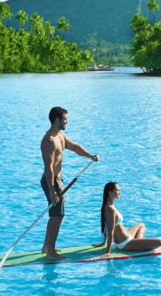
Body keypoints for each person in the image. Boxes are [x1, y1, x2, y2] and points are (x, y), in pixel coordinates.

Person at [41, 106, 99, 260]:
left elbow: (74, 147)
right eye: (65, 119)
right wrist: (53, 190)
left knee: (56, 215)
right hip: (51, 180)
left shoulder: (60, 135)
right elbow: (48, 168)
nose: (67, 122)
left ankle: (47, 247)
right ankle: (51, 252)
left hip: (57, 180)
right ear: (57, 120)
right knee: (57, 216)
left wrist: (90, 156)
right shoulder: (49, 141)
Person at [96, 182, 161, 257]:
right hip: (125, 243)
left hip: (126, 238)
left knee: (141, 225)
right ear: (110, 192)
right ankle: (138, 244)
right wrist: (108, 252)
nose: (119, 193)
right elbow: (111, 230)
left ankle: (138, 243)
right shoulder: (110, 209)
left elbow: (106, 225)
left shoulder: (108, 206)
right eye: (117, 190)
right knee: (160, 242)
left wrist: (104, 242)